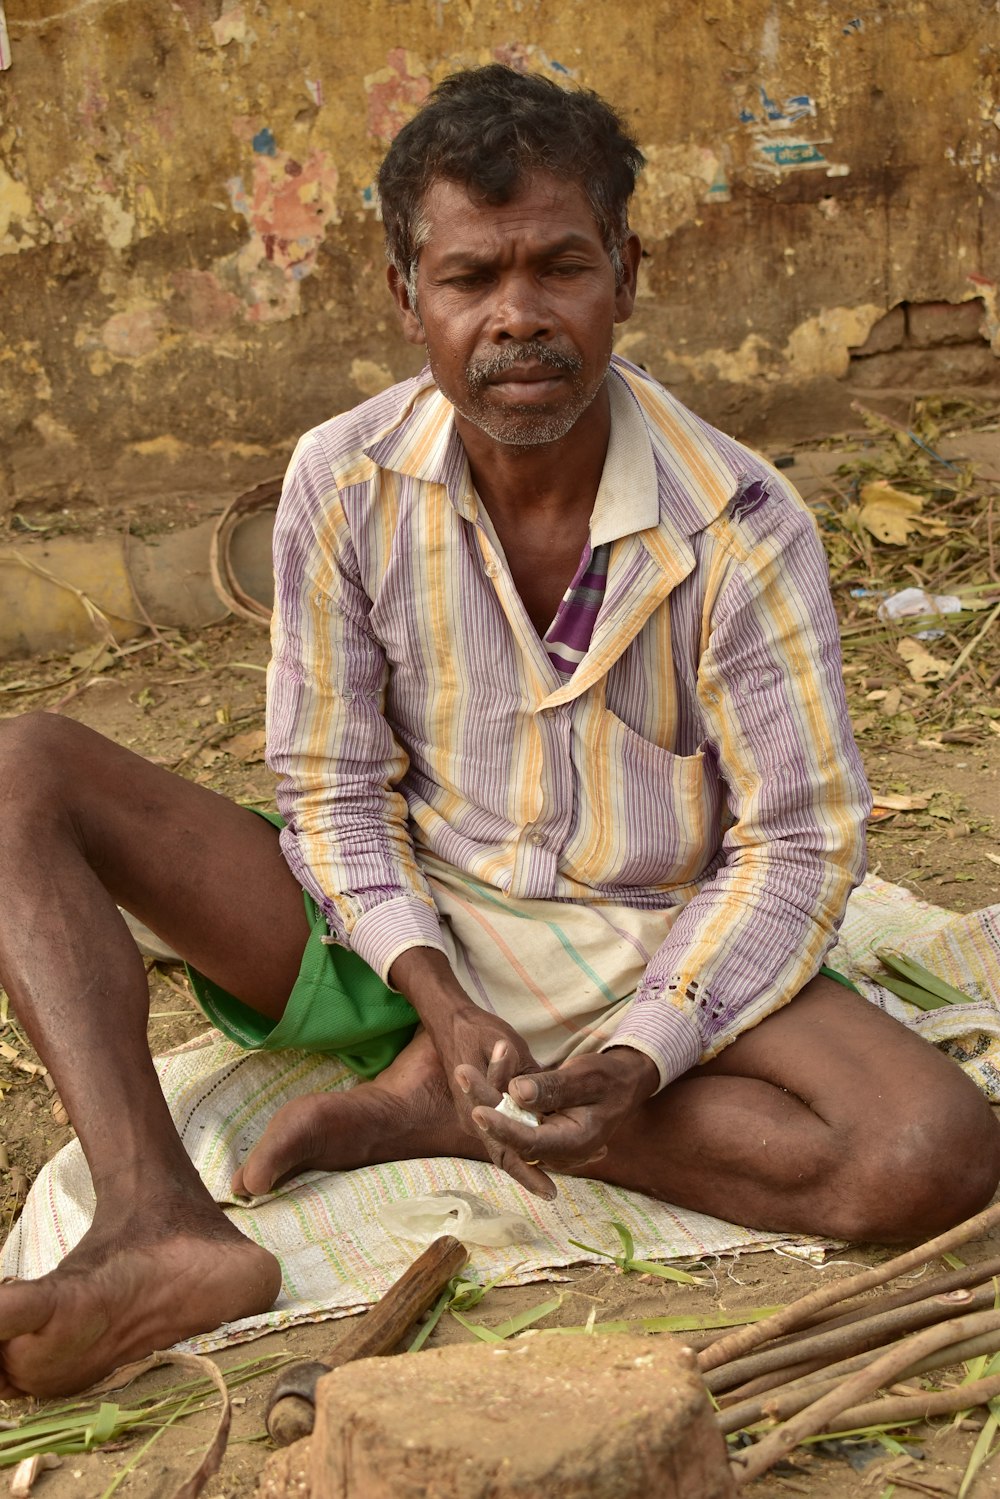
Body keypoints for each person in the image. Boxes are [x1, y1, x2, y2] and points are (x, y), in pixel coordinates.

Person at [0, 65, 997, 1401]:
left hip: (641, 929)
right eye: (472, 279)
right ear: (406, 296)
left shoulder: (740, 523)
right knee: (23, 769)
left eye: (559, 268)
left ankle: (457, 1114)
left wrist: (644, 1051)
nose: (518, 318)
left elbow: (802, 842)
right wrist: (439, 994)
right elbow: (334, 796)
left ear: (626, 276)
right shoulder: (342, 483)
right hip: (397, 931)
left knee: (934, 1157)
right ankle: (155, 1222)